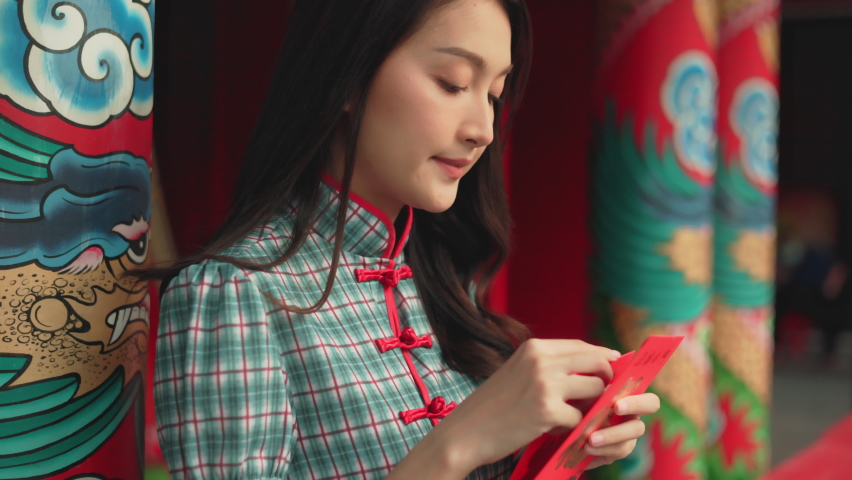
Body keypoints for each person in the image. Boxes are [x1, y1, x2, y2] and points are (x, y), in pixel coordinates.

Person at [146, 0, 660, 478]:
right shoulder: (230, 292)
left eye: (494, 94)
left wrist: (553, 447)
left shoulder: (440, 283)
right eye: (453, 82)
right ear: (347, 76)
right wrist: (454, 446)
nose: (483, 127)